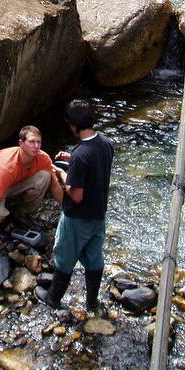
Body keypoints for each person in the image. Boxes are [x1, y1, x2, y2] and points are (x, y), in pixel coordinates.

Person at [34, 100, 114, 311]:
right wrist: (72, 160)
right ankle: (92, 302)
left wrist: (62, 173)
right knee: (94, 257)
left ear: (72, 125)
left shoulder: (80, 155)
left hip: (77, 216)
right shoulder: (106, 143)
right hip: (98, 213)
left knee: (64, 255)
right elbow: (95, 167)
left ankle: (53, 297)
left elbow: (76, 194)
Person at [0, 125, 64, 258]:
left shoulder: (43, 158)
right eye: (31, 142)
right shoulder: (8, 166)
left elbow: (55, 186)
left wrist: (68, 210)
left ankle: (19, 211)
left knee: (45, 176)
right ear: (21, 143)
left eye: (39, 142)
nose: (36, 146)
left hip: (11, 186)